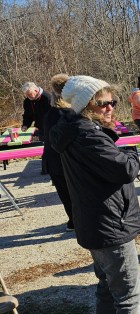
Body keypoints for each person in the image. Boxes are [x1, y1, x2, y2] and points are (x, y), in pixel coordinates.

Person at [49, 75, 140, 314]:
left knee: (107, 287)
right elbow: (125, 170)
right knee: (129, 295)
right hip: (109, 225)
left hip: (97, 222)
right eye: (102, 103)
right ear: (85, 106)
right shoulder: (86, 134)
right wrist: (130, 151)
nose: (109, 108)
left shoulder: (73, 130)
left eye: (112, 102)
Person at [42, 74, 74, 232]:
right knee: (73, 191)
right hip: (65, 159)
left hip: (54, 160)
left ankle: (73, 220)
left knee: (65, 192)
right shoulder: (70, 114)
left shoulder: (50, 114)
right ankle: (76, 220)